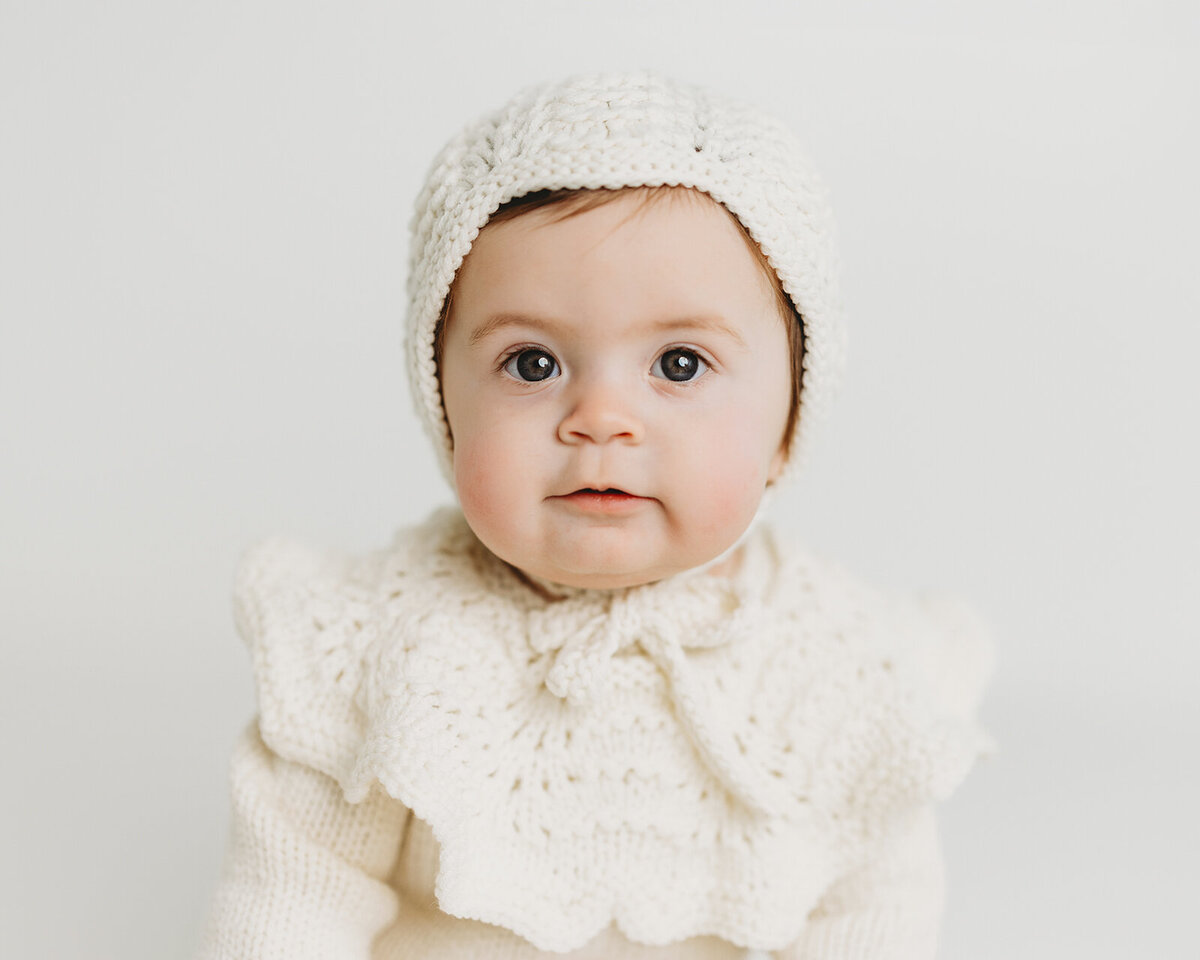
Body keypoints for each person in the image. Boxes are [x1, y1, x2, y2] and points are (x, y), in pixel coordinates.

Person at [195, 71, 995, 960]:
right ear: (444, 403)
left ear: (788, 424)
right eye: (532, 364)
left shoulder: (836, 663)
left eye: (680, 365)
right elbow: (295, 890)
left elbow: (873, 911)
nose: (601, 418)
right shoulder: (386, 639)